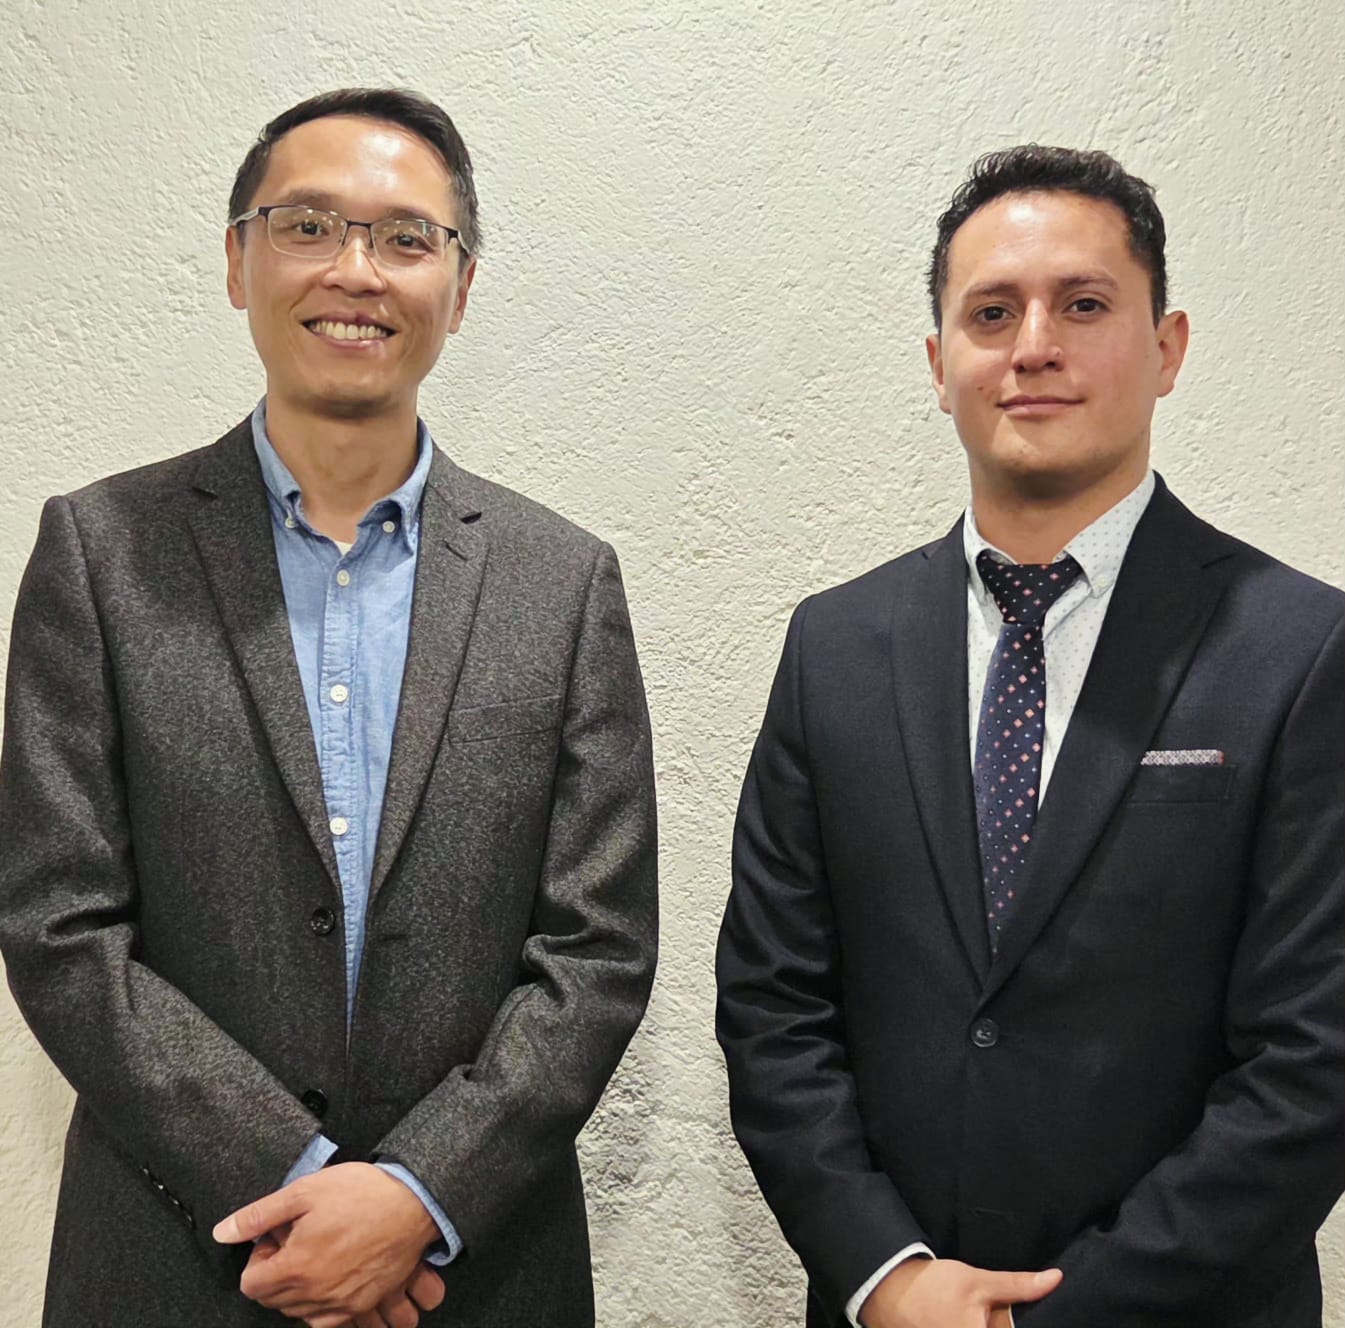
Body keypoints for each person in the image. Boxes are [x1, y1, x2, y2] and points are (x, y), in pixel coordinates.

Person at [0, 87, 657, 1328]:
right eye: (307, 226)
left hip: (476, 1268)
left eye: (407, 238)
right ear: (236, 262)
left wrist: (416, 1191)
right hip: (176, 1259)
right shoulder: (100, 552)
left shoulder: (563, 581)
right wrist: (290, 1177)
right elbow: (59, 923)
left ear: (460, 287)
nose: (356, 271)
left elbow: (599, 947)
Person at [717, 144, 1343, 1328]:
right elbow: (771, 1006)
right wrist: (886, 1275)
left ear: (1167, 348)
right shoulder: (833, 646)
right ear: (938, 362)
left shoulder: (1302, 649)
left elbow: (1315, 1062)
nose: (1034, 345)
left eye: (1085, 304)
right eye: (991, 312)